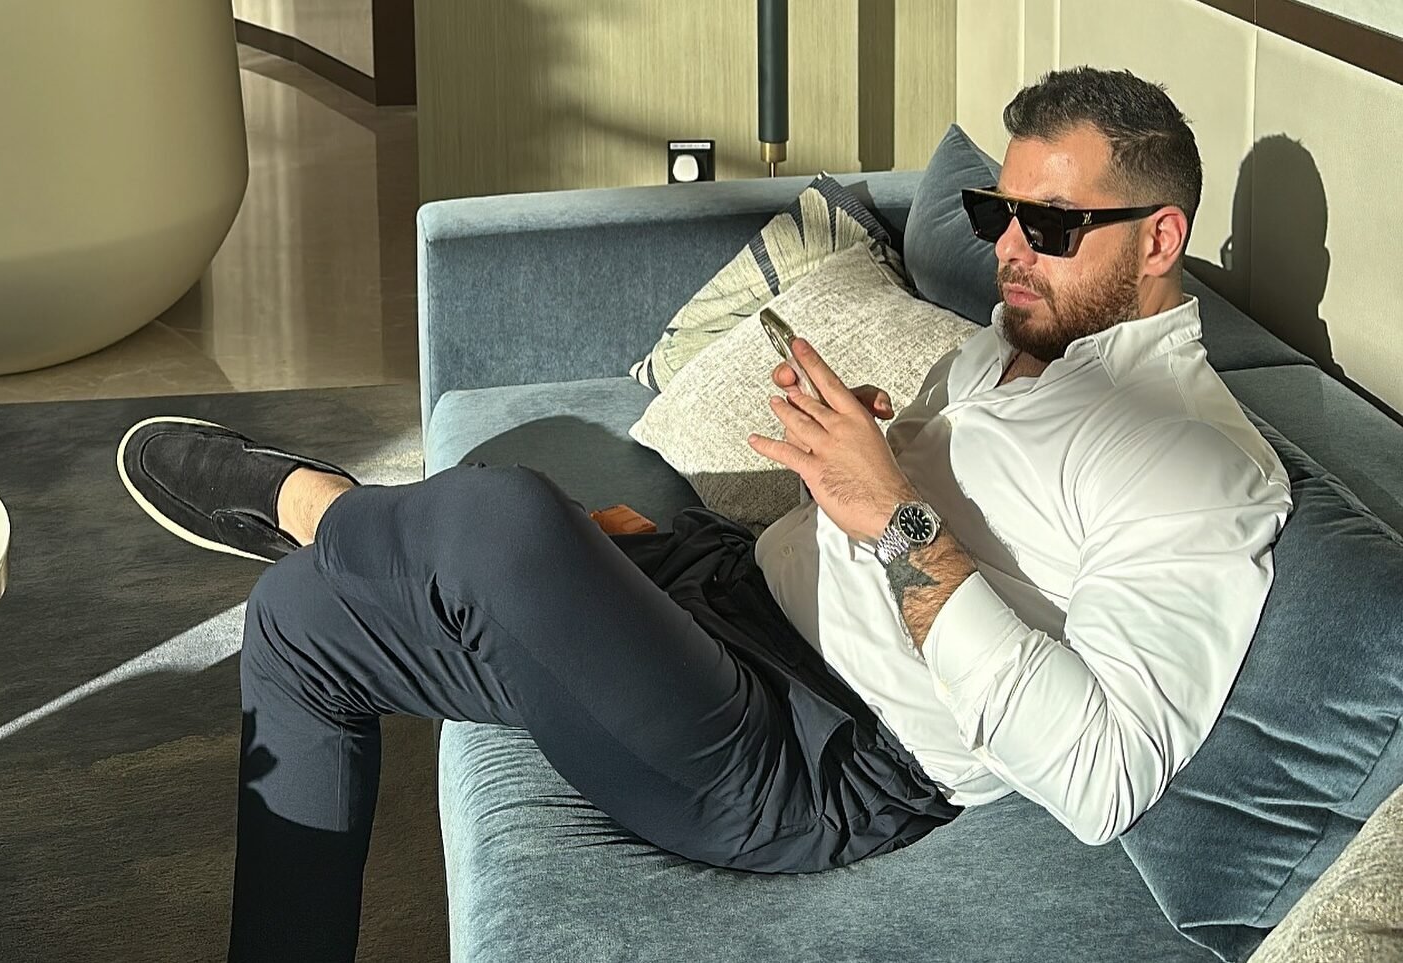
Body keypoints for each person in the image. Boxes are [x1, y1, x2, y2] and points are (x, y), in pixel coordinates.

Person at [117, 66, 1291, 962]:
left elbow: (1100, 779)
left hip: (814, 754)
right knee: (300, 620)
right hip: (731, 602)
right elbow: (954, 521)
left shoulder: (1200, 470)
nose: (1012, 256)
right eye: (999, 216)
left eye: (1053, 227)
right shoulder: (1020, 346)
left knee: (503, 520)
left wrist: (895, 514)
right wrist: (862, 460)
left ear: (1160, 237)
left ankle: (317, 498)